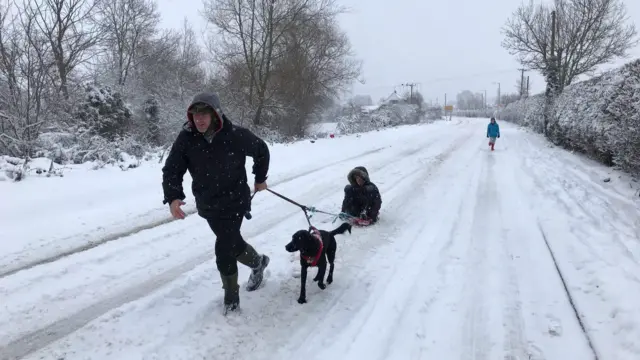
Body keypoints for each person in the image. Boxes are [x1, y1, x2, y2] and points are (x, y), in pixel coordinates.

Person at [162, 91, 270, 315]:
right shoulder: (187, 138)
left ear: (216, 114)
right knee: (232, 243)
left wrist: (260, 179)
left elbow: (261, 150)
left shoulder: (235, 135)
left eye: (204, 114)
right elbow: (172, 169)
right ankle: (258, 262)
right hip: (208, 204)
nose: (199, 119)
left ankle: (231, 299)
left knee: (225, 246)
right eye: (195, 114)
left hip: (235, 201)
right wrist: (173, 197)